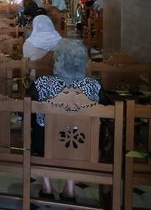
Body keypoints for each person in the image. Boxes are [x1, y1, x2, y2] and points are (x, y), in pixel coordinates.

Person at [27, 39, 109, 202]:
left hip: (45, 145)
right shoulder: (94, 86)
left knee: (39, 127)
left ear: (58, 61)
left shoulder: (41, 84)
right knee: (76, 132)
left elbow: (25, 111)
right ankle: (70, 188)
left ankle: (47, 186)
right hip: (83, 146)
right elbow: (107, 112)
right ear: (83, 62)